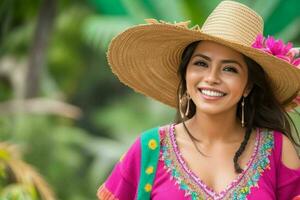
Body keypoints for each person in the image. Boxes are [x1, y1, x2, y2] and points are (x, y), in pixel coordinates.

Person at [97, 1, 300, 199]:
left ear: (248, 85)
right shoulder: (149, 149)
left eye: (229, 69)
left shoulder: (278, 150)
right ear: (185, 73)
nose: (211, 78)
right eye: (201, 63)